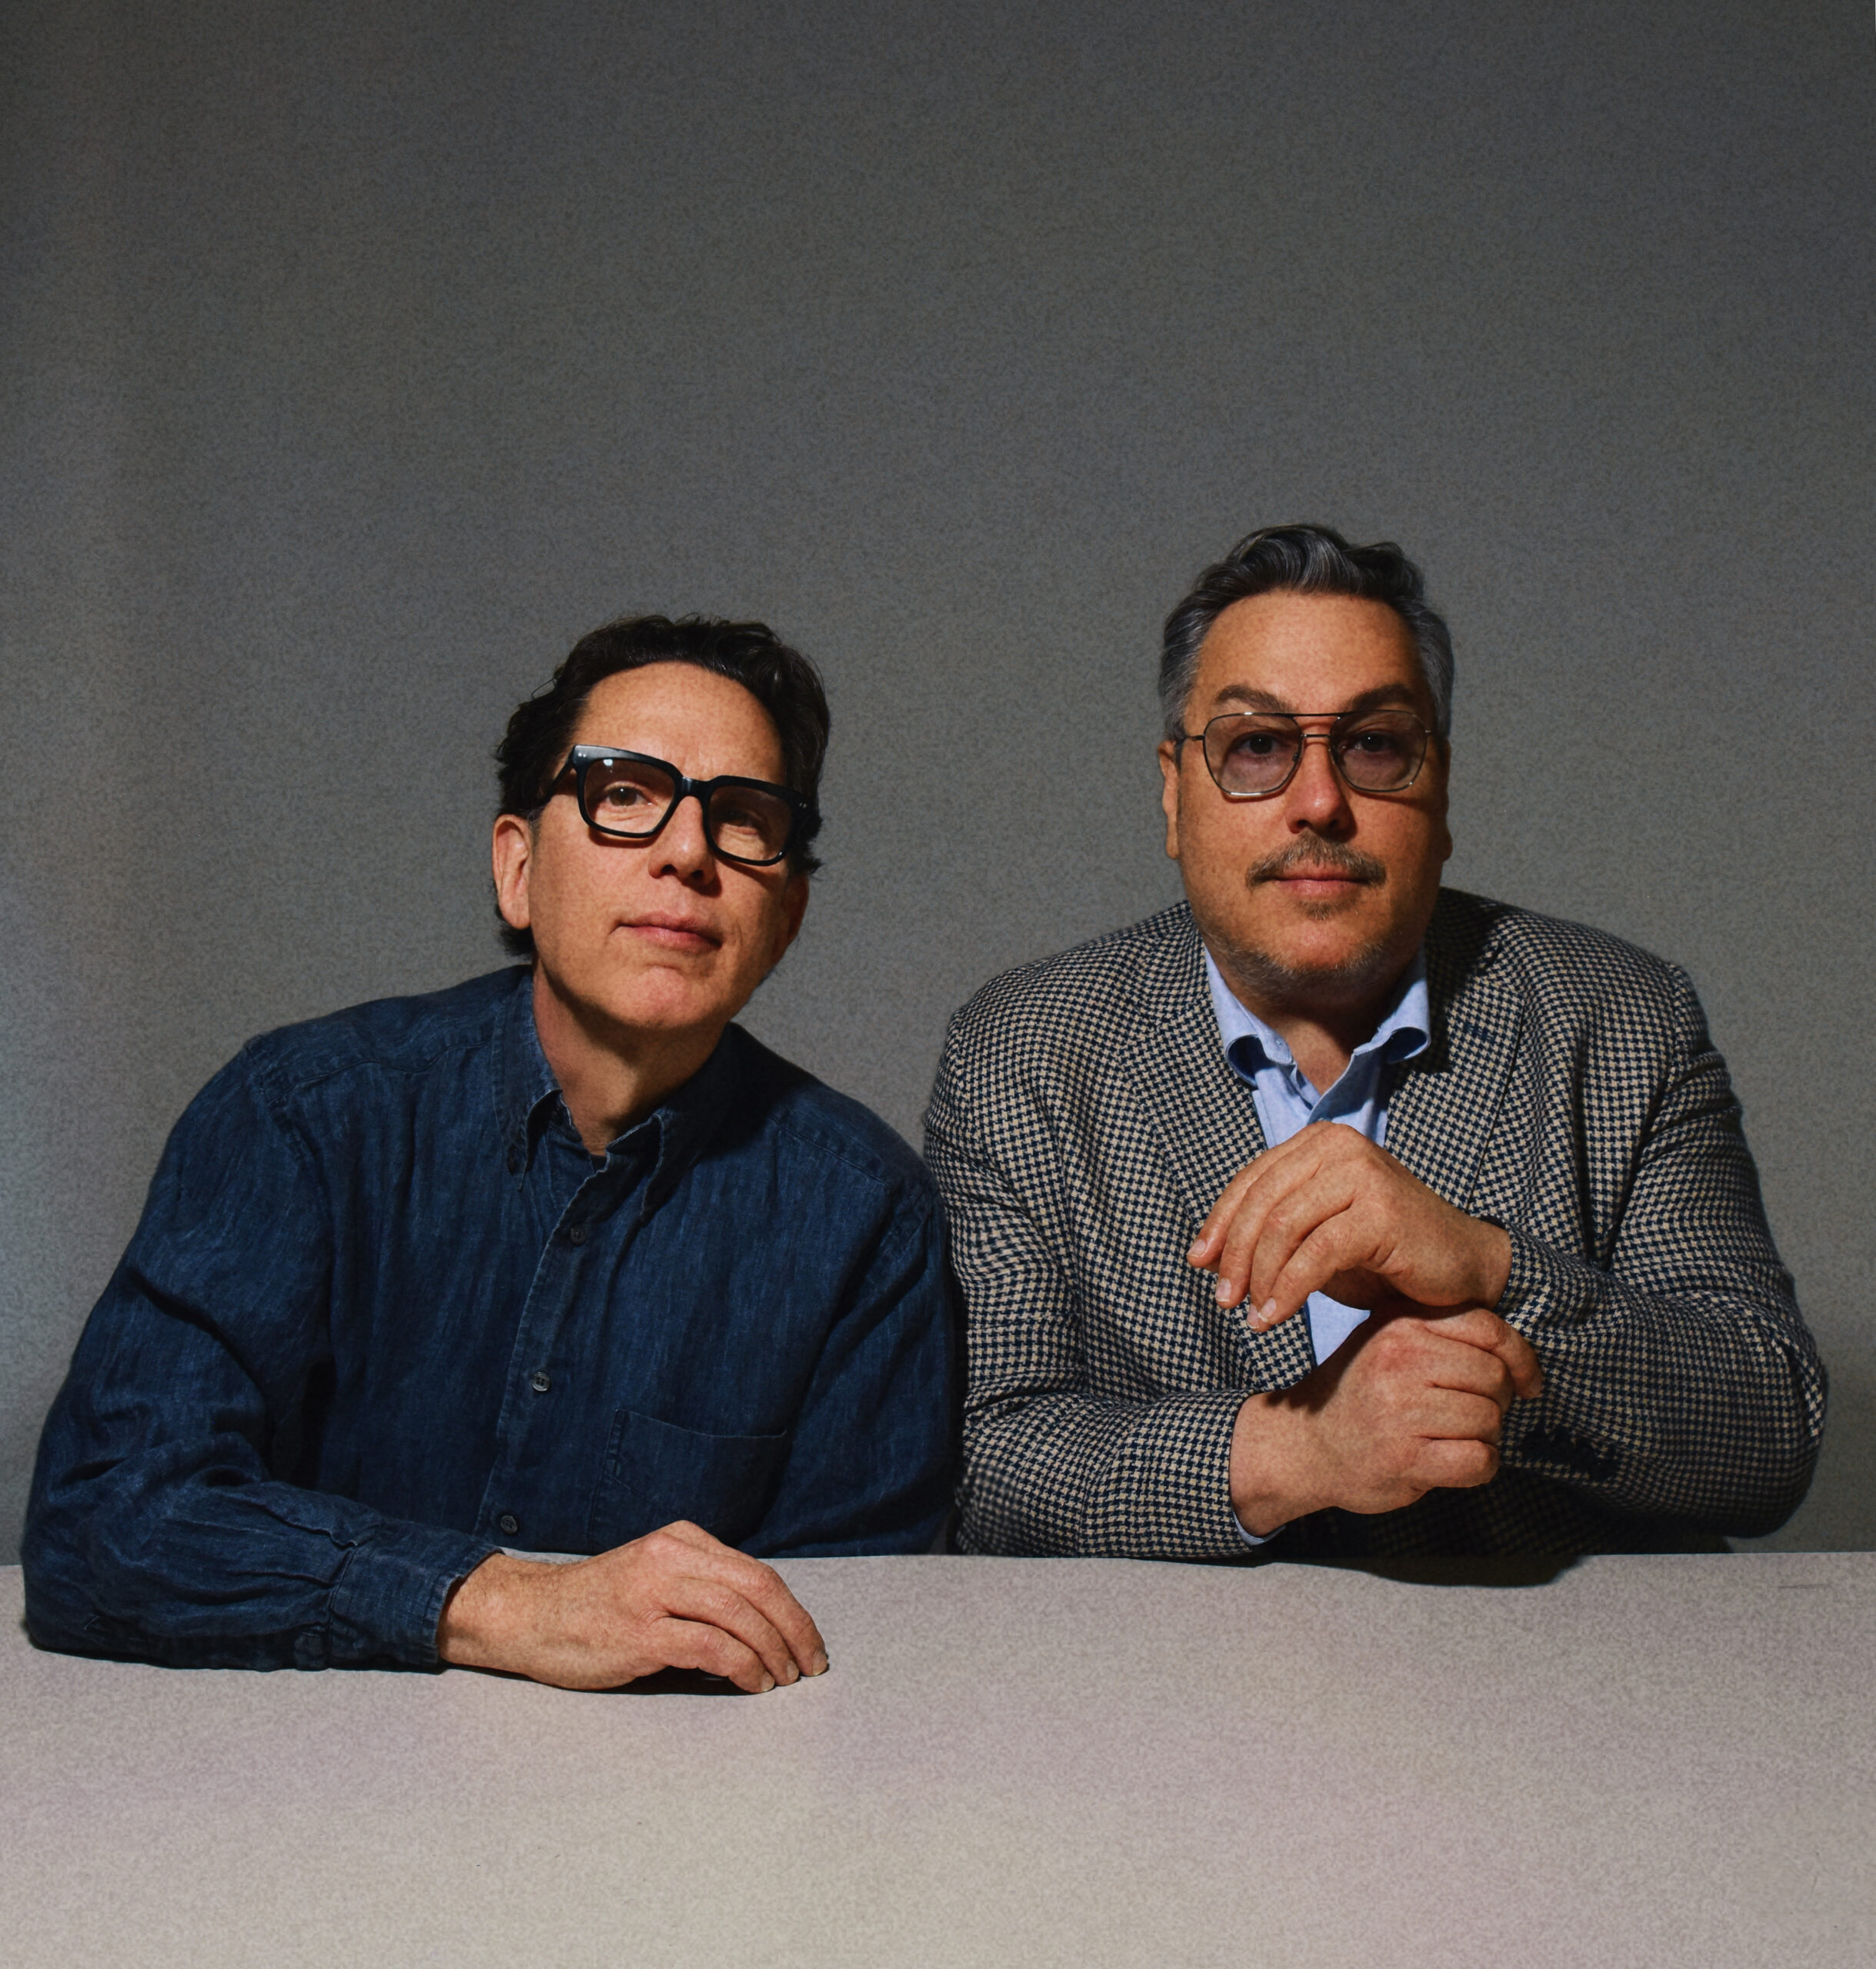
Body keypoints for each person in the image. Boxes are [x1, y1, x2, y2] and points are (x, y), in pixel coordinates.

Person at [25, 615, 954, 1688]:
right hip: (292, 1769)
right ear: (518, 867)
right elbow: (105, 1518)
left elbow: (838, 1633)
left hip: (669, 1784)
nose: (688, 852)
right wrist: (499, 1604)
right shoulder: (301, 1117)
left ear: (784, 917)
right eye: (625, 794)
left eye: (744, 818)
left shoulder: (868, 1217)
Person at [926, 525, 1824, 1561]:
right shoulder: (1022, 1052)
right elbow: (985, 1464)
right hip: (1181, 1665)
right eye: (1256, 747)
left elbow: (1770, 1434)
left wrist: (1489, 1271)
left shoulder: (1622, 1019)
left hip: (1553, 1658)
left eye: (1375, 746)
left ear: (1439, 790)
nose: (1320, 803)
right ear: (1174, 794)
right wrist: (1296, 1451)